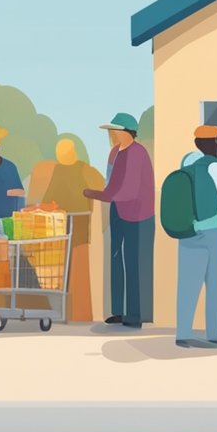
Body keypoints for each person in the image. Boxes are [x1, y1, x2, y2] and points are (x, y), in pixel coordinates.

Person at [173, 125, 217, 349]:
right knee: (214, 284)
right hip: (215, 233)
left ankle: (183, 333)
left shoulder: (187, 165)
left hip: (188, 232)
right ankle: (213, 334)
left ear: (196, 144)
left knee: (186, 284)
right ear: (216, 143)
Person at [83, 113, 155, 329]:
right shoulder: (115, 153)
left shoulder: (137, 153)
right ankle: (118, 311)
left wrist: (98, 195)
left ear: (127, 132)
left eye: (116, 130)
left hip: (138, 215)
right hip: (118, 210)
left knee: (134, 263)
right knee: (116, 258)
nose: (112, 134)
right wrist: (106, 195)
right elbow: (111, 183)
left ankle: (135, 315)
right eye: (111, 130)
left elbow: (130, 190)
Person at [26, 139, 104, 323]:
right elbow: (100, 186)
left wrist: (40, 207)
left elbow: (49, 198)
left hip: (65, 223)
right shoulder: (83, 170)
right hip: (80, 222)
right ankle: (81, 314)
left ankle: (73, 314)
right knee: (79, 270)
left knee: (69, 270)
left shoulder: (61, 171)